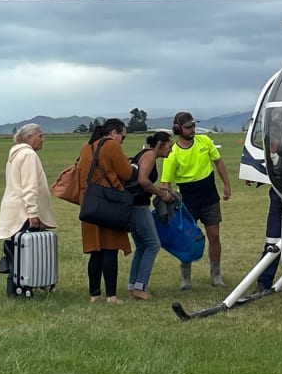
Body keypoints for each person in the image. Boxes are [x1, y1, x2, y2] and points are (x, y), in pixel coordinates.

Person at [160, 111, 232, 289]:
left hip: (209, 196)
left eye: (193, 126)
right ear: (178, 129)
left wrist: (226, 185)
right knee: (187, 239)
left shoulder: (205, 141)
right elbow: (165, 182)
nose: (193, 129)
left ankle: (216, 276)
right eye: (188, 127)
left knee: (214, 236)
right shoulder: (173, 153)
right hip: (187, 200)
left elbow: (218, 162)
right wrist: (167, 201)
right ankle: (185, 278)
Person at [0, 123, 57, 297]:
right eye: (40, 136)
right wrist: (32, 212)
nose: (43, 140)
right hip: (22, 211)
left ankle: (15, 290)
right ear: (29, 138)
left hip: (13, 208)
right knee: (24, 252)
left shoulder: (15, 154)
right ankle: (21, 289)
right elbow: (29, 186)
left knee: (16, 250)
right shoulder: (28, 154)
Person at [76, 118, 134, 305]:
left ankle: (94, 295)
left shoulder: (87, 147)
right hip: (109, 203)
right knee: (110, 249)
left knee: (95, 251)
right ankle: (111, 296)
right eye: (122, 137)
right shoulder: (111, 146)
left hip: (89, 203)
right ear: (113, 133)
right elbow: (126, 173)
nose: (122, 141)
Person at [124, 131, 175, 300]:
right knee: (153, 245)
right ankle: (140, 287)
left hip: (131, 205)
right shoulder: (150, 155)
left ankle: (133, 286)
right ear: (160, 144)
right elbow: (143, 181)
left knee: (142, 247)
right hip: (139, 206)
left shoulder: (144, 153)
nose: (171, 150)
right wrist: (161, 194)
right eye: (170, 145)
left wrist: (162, 190)